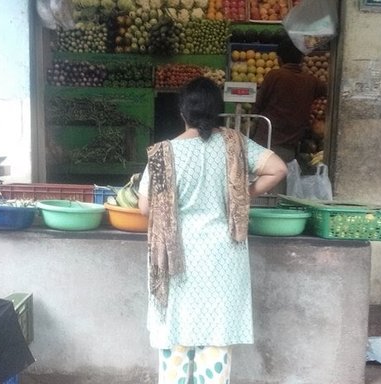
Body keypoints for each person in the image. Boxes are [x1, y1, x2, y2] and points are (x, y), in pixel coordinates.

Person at [137, 77, 287, 383]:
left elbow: (145, 208)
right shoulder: (236, 143)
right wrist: (243, 193)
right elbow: (279, 169)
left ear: (182, 113)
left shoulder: (163, 154)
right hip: (223, 258)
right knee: (215, 341)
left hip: (177, 258)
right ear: (217, 111)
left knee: (176, 338)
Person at [251, 33, 328, 193]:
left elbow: (258, 106)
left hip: (266, 140)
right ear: (301, 59)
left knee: (261, 189)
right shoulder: (310, 81)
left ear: (279, 59)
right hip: (289, 146)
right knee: (280, 189)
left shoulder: (274, 76)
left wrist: (251, 132)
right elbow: (328, 90)